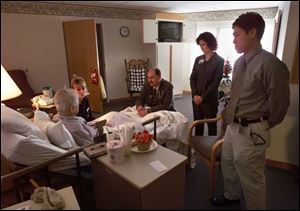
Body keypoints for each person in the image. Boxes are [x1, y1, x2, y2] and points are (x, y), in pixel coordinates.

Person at [212, 12, 290, 210]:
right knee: (228, 164)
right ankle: (232, 196)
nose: (233, 39)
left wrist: (263, 123)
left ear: (253, 32)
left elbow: (280, 105)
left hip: (253, 130)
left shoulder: (271, 64)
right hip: (233, 126)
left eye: (237, 34)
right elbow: (236, 95)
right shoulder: (239, 62)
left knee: (252, 177)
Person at [190, 32, 224, 136]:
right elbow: (193, 78)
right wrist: (195, 95)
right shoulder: (198, 59)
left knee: (211, 126)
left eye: (203, 44)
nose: (201, 47)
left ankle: (212, 149)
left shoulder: (219, 60)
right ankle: (197, 148)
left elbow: (215, 82)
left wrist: (203, 97)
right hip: (196, 100)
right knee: (198, 125)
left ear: (210, 43)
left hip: (209, 100)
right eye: (200, 45)